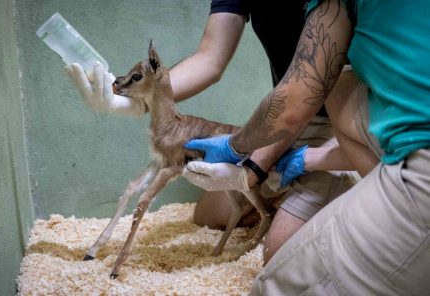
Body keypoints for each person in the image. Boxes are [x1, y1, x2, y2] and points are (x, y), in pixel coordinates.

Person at [66, 0, 357, 265]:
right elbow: (210, 58)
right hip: (283, 116)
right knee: (209, 215)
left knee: (278, 256)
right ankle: (293, 191)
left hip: (342, 113)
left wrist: (254, 166)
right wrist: (138, 101)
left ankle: (349, 181)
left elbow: (306, 90)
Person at [183, 0, 430, 294]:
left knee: (278, 273)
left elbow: (297, 102)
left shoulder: (331, 19)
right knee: (210, 214)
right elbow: (211, 59)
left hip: (382, 148)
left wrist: (238, 149)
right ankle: (299, 192)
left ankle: (345, 190)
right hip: (305, 118)